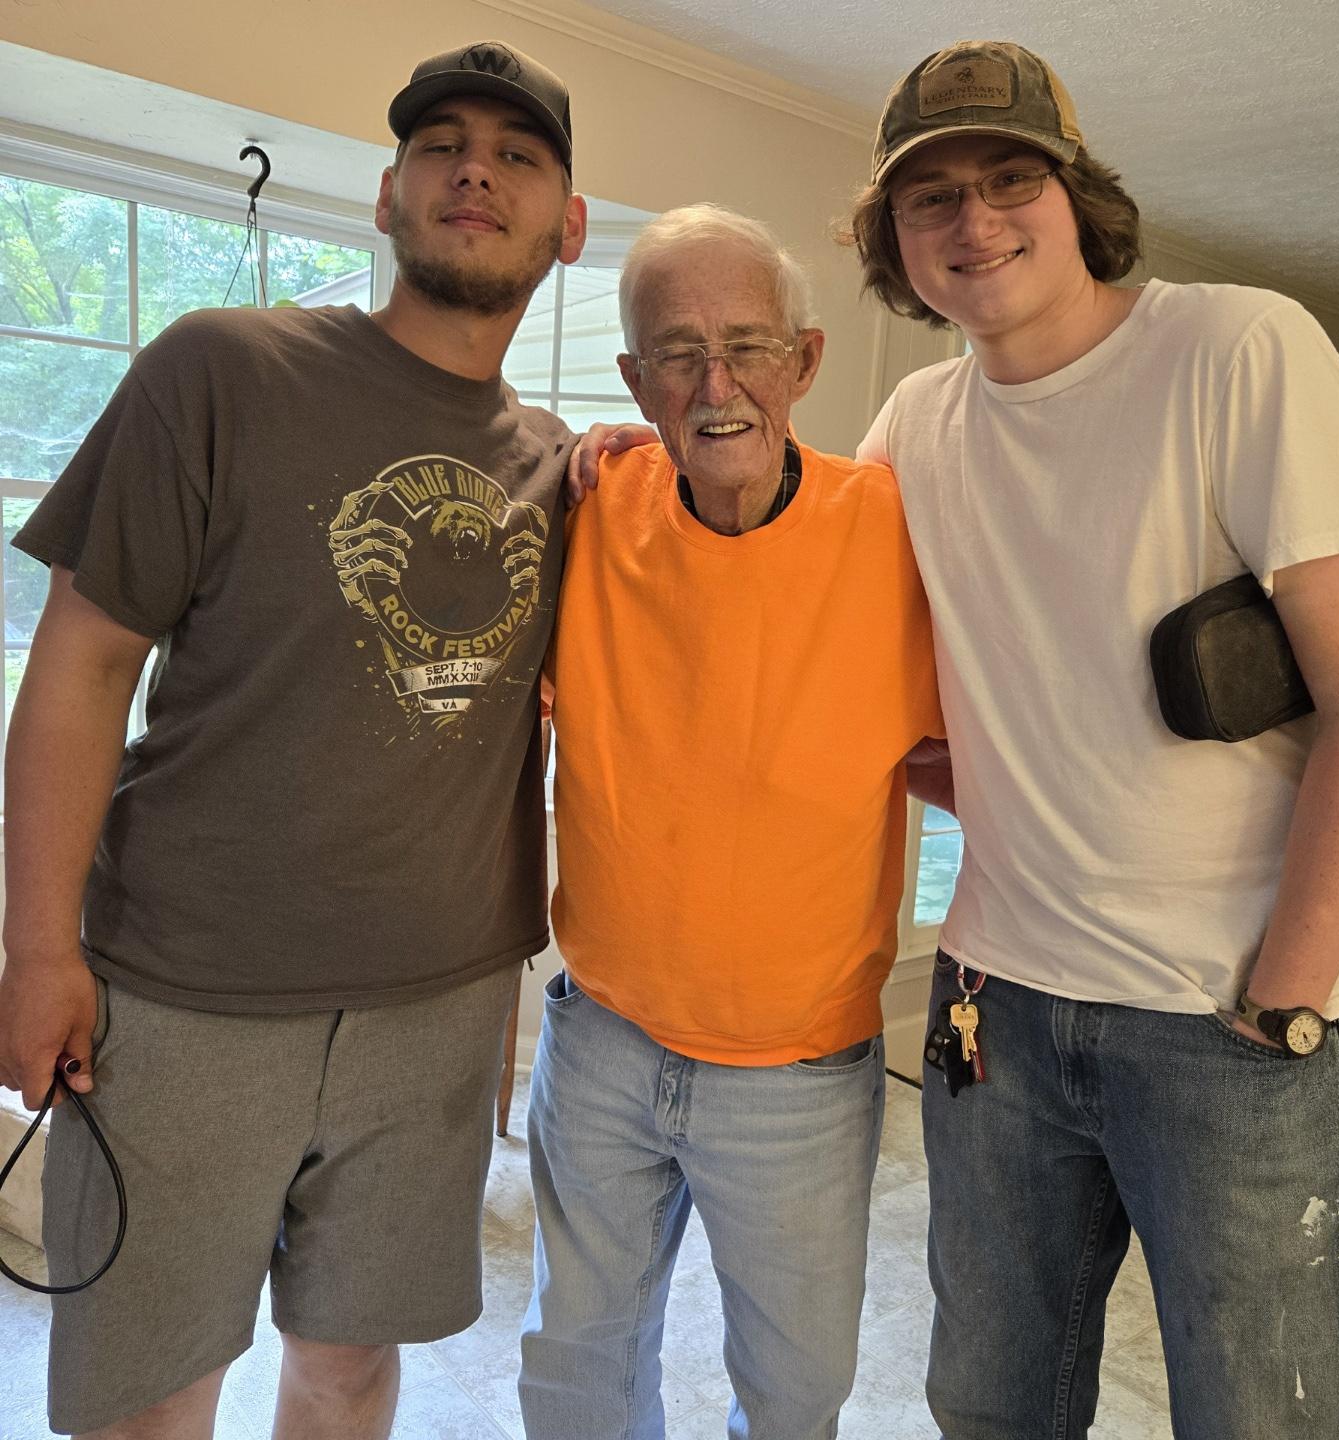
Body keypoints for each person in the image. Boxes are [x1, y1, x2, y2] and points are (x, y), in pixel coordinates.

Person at [0, 40, 585, 1440]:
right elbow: (81, 662)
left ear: (568, 227)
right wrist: (36, 952)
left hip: (439, 1005)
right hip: (185, 990)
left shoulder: (567, 468)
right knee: (149, 1393)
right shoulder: (221, 368)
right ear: (388, 196)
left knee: (351, 1366)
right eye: (441, 145)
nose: (476, 170)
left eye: (516, 154)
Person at [844, 39, 1339, 1440]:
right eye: (932, 197)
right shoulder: (915, 424)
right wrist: (642, 461)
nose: (975, 220)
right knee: (988, 1406)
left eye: (1010, 178)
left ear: (1078, 196)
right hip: (992, 1010)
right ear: (894, 239)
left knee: (1267, 1420)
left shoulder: (1239, 348)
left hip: (1227, 1021)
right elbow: (834, 664)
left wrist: (1286, 998)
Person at [517, 204, 943, 1440]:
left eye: (749, 346)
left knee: (795, 1395)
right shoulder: (587, 505)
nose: (717, 386)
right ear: (634, 381)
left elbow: (994, 746)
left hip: (798, 1073)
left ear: (804, 363)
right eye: (678, 353)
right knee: (576, 1375)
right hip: (601, 1041)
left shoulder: (898, 530)